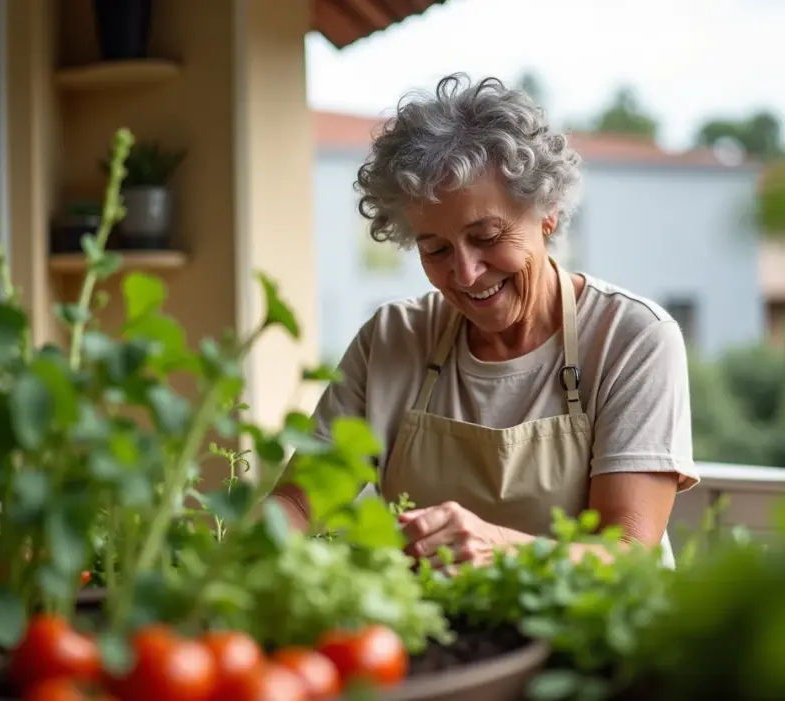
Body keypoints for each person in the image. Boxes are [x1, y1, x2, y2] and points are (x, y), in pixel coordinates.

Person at [271, 74, 698, 568]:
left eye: (487, 236)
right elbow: (299, 504)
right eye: (436, 250)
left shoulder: (633, 338)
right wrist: (227, 553)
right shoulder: (391, 339)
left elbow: (628, 552)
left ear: (547, 213)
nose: (466, 273)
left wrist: (497, 547)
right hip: (438, 617)